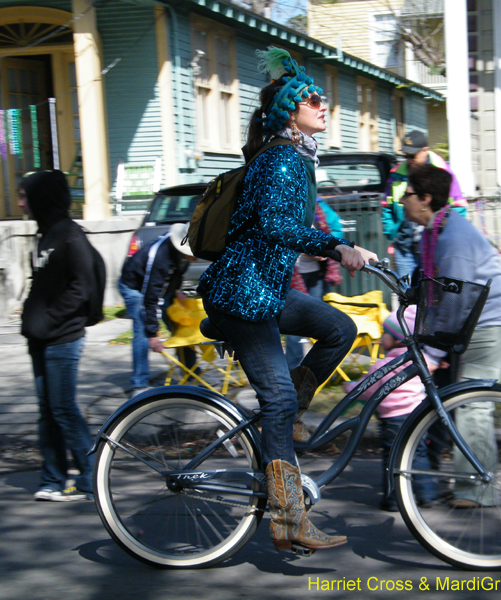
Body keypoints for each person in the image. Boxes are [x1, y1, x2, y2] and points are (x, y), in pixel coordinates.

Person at [197, 46, 377, 553]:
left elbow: (280, 226)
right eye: (313, 99)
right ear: (290, 111)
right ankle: (287, 517)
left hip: (268, 293)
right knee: (274, 400)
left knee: (340, 329)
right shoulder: (279, 158)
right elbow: (278, 227)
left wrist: (336, 246)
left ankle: (290, 413)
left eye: (322, 98)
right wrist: (337, 247)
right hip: (243, 297)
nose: (323, 105)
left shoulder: (295, 157)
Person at [402, 163, 501, 508]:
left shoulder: (453, 238)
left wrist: (436, 353)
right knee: (450, 399)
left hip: (489, 324)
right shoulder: (434, 232)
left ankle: (478, 491)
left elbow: (456, 300)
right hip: (474, 323)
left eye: (407, 195)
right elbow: (433, 283)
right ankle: (438, 472)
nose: (402, 202)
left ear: (425, 199)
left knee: (472, 405)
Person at [18, 170, 95, 502]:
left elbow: (82, 287)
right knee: (47, 411)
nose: (21, 201)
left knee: (63, 409)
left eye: (26, 195)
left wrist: (47, 320)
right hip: (40, 340)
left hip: (64, 338)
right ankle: (52, 479)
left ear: (42, 198)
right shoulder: (44, 234)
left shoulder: (70, 235)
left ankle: (93, 477)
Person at [349, 305, 437, 511]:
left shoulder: (382, 366)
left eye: (385, 334)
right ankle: (427, 493)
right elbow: (431, 365)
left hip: (392, 420)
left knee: (393, 458)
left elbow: (367, 391)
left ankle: (393, 499)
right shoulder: (419, 360)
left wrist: (349, 387)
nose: (380, 338)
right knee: (418, 453)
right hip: (417, 415)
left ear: (398, 339)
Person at [118, 223, 196, 397]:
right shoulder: (160, 257)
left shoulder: (180, 253)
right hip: (134, 287)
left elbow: (176, 274)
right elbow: (149, 299)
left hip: (159, 289)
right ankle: (139, 384)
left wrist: (176, 291)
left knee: (181, 324)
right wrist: (153, 334)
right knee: (142, 332)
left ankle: (191, 374)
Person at [381, 130, 467, 278]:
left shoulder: (441, 171)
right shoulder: (397, 174)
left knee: (433, 293)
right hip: (405, 247)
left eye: (412, 155)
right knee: (407, 295)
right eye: (406, 156)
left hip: (434, 246)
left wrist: (448, 237)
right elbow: (386, 205)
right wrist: (392, 233)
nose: (409, 160)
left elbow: (459, 207)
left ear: (425, 150)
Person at [284, 198, 345, 369]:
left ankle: (317, 368)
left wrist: (326, 250)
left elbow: (336, 230)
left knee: (320, 323)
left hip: (316, 274)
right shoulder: (285, 208)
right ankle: (292, 369)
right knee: (296, 327)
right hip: (294, 277)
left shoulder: (319, 207)